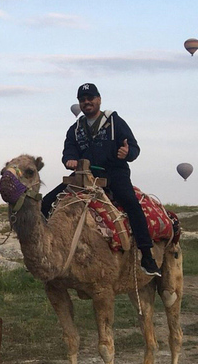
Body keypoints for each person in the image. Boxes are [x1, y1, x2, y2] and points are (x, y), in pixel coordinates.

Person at [41, 83, 160, 277]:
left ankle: (147, 255)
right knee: (45, 203)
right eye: (82, 99)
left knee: (131, 203)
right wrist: (69, 160)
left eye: (90, 98)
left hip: (114, 173)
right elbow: (68, 150)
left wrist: (127, 153)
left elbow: (134, 148)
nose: (86, 102)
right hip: (83, 175)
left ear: (99, 99)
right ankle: (48, 251)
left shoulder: (115, 122)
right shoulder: (76, 128)